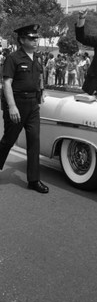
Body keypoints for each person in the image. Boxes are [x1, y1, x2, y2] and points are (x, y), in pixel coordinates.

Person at [0, 24, 49, 193]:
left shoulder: (37, 58)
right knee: (9, 140)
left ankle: (34, 180)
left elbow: (39, 77)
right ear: (22, 40)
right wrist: (12, 106)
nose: (35, 41)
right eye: (31, 38)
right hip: (17, 103)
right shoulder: (13, 58)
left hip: (32, 105)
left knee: (34, 141)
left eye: (36, 38)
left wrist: (41, 92)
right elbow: (6, 83)